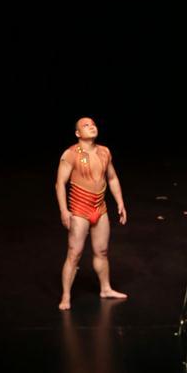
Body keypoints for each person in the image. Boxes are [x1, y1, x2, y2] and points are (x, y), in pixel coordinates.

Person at [55, 117, 128, 309]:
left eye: (93, 124)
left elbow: (112, 178)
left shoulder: (104, 151)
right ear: (78, 133)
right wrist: (64, 210)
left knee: (102, 251)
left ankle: (105, 288)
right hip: (79, 209)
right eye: (86, 125)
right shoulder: (71, 154)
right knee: (74, 253)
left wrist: (120, 202)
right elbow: (60, 183)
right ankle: (66, 296)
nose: (92, 127)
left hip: (100, 207)